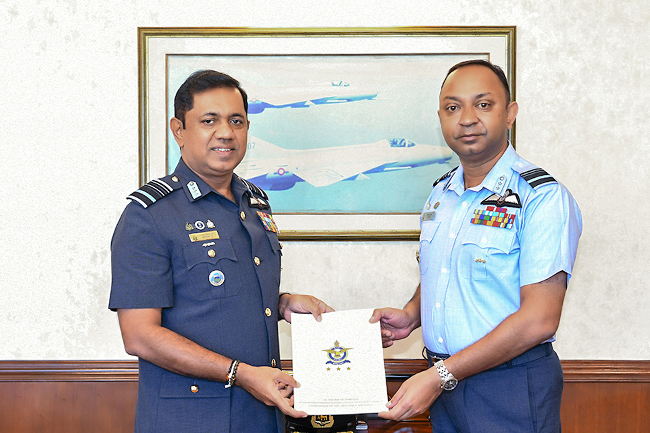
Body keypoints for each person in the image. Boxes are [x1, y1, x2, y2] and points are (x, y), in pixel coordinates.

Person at [109, 69, 333, 433]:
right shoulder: (149, 215)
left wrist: (282, 303)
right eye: (209, 120)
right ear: (179, 129)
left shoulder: (255, 203)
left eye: (236, 120)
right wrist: (240, 374)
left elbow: (220, 297)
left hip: (262, 414)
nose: (226, 133)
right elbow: (139, 336)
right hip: (191, 419)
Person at [370, 60, 582, 433]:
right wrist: (412, 313)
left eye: (483, 104)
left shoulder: (542, 198)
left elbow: (540, 319)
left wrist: (439, 376)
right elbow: (448, 269)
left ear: (510, 113)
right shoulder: (442, 193)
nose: (466, 118)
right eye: (453, 107)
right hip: (446, 384)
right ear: (441, 118)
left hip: (509, 385)